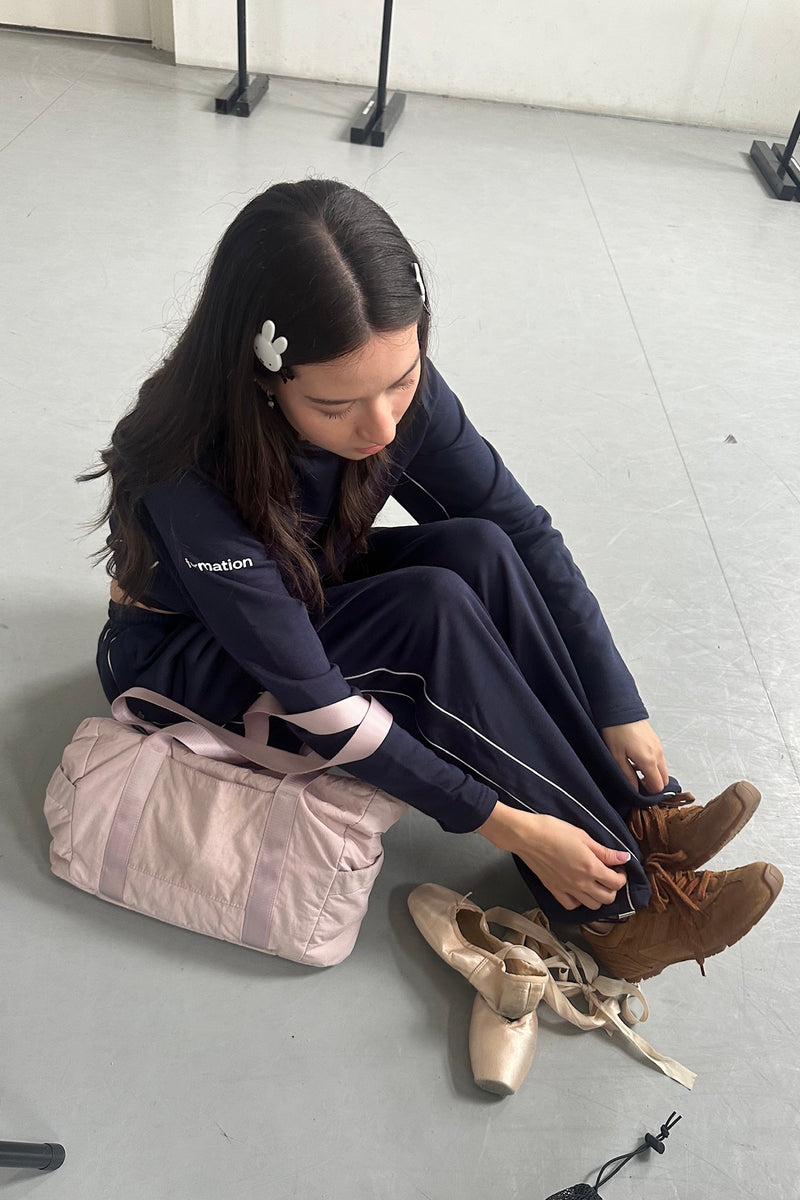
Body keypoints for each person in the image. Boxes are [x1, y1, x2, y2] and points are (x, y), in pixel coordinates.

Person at [80, 179, 782, 982]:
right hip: (181, 654)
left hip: (300, 577)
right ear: (263, 376)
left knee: (477, 549)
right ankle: (614, 913)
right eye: (338, 403)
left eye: (403, 381)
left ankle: (633, 818)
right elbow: (321, 706)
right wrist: (506, 826)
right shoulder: (187, 467)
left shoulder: (383, 386)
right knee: (429, 611)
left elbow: (521, 532)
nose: (381, 425)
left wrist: (617, 701)